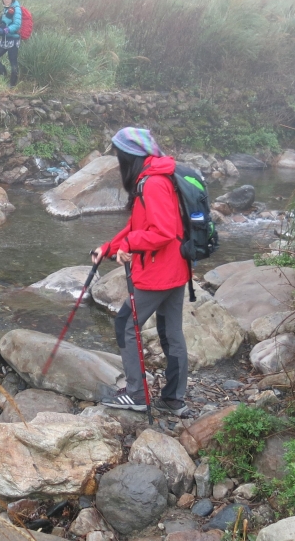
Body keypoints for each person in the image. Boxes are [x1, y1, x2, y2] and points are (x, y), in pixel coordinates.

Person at [90, 127, 190, 416]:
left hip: (158, 272)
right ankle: (173, 399)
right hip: (176, 267)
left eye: (119, 156)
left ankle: (136, 394)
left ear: (130, 156)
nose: (118, 161)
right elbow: (138, 227)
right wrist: (109, 247)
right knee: (171, 332)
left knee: (125, 325)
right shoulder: (159, 176)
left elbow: (162, 232)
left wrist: (130, 245)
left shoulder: (153, 184)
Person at [0, 0, 22, 87]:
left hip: (13, 39)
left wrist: (5, 30)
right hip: (5, 39)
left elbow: (17, 25)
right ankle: (3, 75)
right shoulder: (7, 8)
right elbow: (6, 20)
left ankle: (12, 84)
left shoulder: (16, 9)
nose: (6, 0)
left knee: (13, 61)